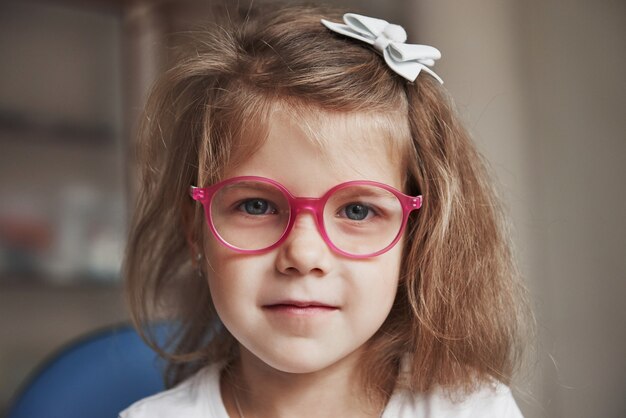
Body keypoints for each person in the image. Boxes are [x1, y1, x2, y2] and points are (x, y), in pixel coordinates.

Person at [120, 3, 530, 417]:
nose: (303, 255)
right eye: (256, 205)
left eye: (357, 211)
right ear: (197, 230)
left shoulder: (473, 410)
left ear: (415, 238)